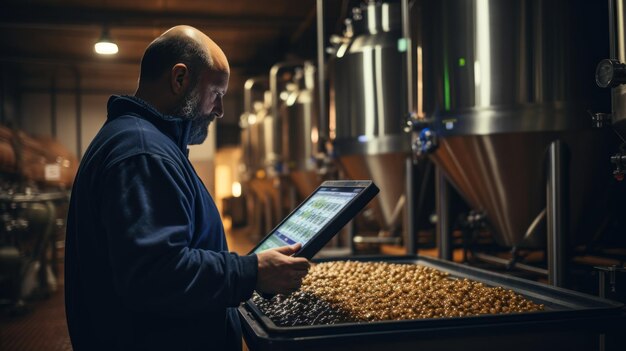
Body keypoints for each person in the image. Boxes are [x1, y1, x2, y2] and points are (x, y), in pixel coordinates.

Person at [64, 25, 311, 351]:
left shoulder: (142, 142)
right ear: (179, 79)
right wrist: (251, 272)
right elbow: (155, 276)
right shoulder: (143, 153)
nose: (220, 110)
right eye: (217, 94)